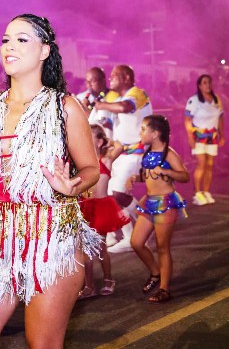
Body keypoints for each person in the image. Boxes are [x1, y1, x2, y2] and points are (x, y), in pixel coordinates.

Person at [0, 13, 100, 348]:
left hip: (52, 241)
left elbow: (91, 169)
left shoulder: (64, 107)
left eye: (22, 39)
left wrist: (72, 185)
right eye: (6, 40)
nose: (9, 47)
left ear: (45, 51)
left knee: (42, 344)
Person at [128, 115, 189, 304]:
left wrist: (168, 172)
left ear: (155, 133)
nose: (140, 132)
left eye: (143, 129)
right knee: (136, 242)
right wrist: (136, 179)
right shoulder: (147, 153)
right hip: (149, 203)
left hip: (166, 204)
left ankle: (164, 289)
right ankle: (155, 273)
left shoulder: (168, 153)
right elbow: (149, 176)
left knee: (163, 248)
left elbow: (185, 176)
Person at [93, 64, 152, 253]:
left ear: (126, 78)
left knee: (117, 195)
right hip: (121, 153)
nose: (110, 79)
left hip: (134, 153)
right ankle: (134, 233)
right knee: (113, 196)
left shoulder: (137, 94)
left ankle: (141, 229)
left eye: (114, 76)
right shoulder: (122, 97)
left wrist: (101, 105)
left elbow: (124, 107)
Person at [77, 124, 129, 300]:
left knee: (100, 248)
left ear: (99, 141)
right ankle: (89, 285)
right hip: (85, 207)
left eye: (90, 137)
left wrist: (107, 141)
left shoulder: (105, 160)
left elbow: (120, 146)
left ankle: (108, 279)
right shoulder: (82, 161)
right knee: (85, 250)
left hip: (100, 208)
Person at [184, 74, 224, 206]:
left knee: (210, 165)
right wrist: (190, 137)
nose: (208, 85)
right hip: (198, 136)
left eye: (209, 82)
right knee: (201, 163)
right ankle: (197, 192)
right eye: (205, 83)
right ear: (199, 86)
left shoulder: (216, 99)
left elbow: (221, 119)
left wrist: (221, 135)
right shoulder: (194, 100)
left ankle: (206, 192)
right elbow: (187, 119)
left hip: (212, 137)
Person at [76, 67, 114, 138]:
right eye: (87, 81)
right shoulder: (80, 98)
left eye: (92, 81)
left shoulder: (114, 97)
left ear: (103, 81)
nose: (89, 85)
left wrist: (86, 109)